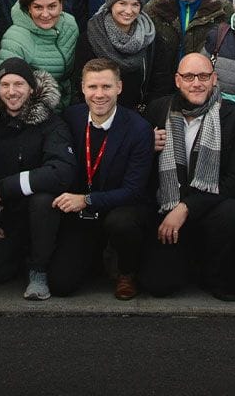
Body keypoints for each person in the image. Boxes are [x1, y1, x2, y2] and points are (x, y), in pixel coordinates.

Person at [143, 52, 235, 300]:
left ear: (214, 79)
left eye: (203, 76)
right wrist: (146, 147)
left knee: (234, 211)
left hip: (212, 211)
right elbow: (142, 171)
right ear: (177, 80)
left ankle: (216, 273)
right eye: (189, 76)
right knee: (159, 286)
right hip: (167, 208)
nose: (197, 83)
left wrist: (185, 208)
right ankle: (184, 262)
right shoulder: (158, 110)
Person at [0, 58, 75, 300]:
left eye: (19, 84)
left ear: (31, 88)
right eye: (5, 85)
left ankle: (38, 269)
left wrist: (7, 187)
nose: (12, 92)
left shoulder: (51, 123)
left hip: (40, 216)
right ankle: (18, 259)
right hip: (5, 219)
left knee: (43, 199)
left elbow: (62, 170)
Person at [48, 59, 154, 299]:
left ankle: (127, 272)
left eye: (106, 87)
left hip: (121, 208)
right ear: (83, 88)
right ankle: (96, 257)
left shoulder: (139, 129)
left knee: (122, 223)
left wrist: (87, 199)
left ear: (119, 87)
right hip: (82, 213)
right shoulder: (71, 117)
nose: (99, 94)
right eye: (92, 87)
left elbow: (134, 190)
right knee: (60, 284)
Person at [83, 0, 177, 108]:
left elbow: (160, 83)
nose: (128, 11)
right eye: (122, 3)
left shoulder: (151, 37)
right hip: (101, 113)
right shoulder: (92, 35)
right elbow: (82, 85)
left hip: (142, 116)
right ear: (111, 3)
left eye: (135, 5)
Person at [0, 0, 81, 101]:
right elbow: (6, 90)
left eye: (52, 6)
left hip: (70, 102)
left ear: (61, 5)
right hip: (34, 107)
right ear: (29, 8)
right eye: (38, 7)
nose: (45, 14)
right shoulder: (15, 39)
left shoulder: (70, 25)